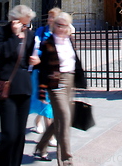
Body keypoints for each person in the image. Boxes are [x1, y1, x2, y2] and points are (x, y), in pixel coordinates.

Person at [35, 12, 86, 165]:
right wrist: (42, 91)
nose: (61, 28)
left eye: (64, 25)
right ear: (53, 25)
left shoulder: (68, 40)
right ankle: (66, 160)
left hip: (69, 81)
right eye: (58, 25)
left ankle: (41, 145)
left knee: (60, 118)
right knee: (64, 118)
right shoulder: (48, 43)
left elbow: (75, 61)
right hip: (55, 83)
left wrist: (80, 80)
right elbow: (43, 68)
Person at [0, 4, 39, 166]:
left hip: (24, 88)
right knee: (9, 134)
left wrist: (37, 61)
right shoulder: (1, 33)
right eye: (23, 24)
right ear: (14, 21)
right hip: (6, 88)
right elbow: (3, 54)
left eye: (28, 24)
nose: (26, 27)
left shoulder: (30, 35)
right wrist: (13, 36)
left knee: (19, 134)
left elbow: (32, 60)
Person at [30, 7, 61, 135]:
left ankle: (38, 121)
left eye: (52, 17)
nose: (49, 19)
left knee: (48, 104)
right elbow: (35, 48)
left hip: (55, 73)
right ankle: (50, 136)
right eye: (49, 16)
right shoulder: (41, 31)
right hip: (41, 72)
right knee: (47, 103)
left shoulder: (60, 33)